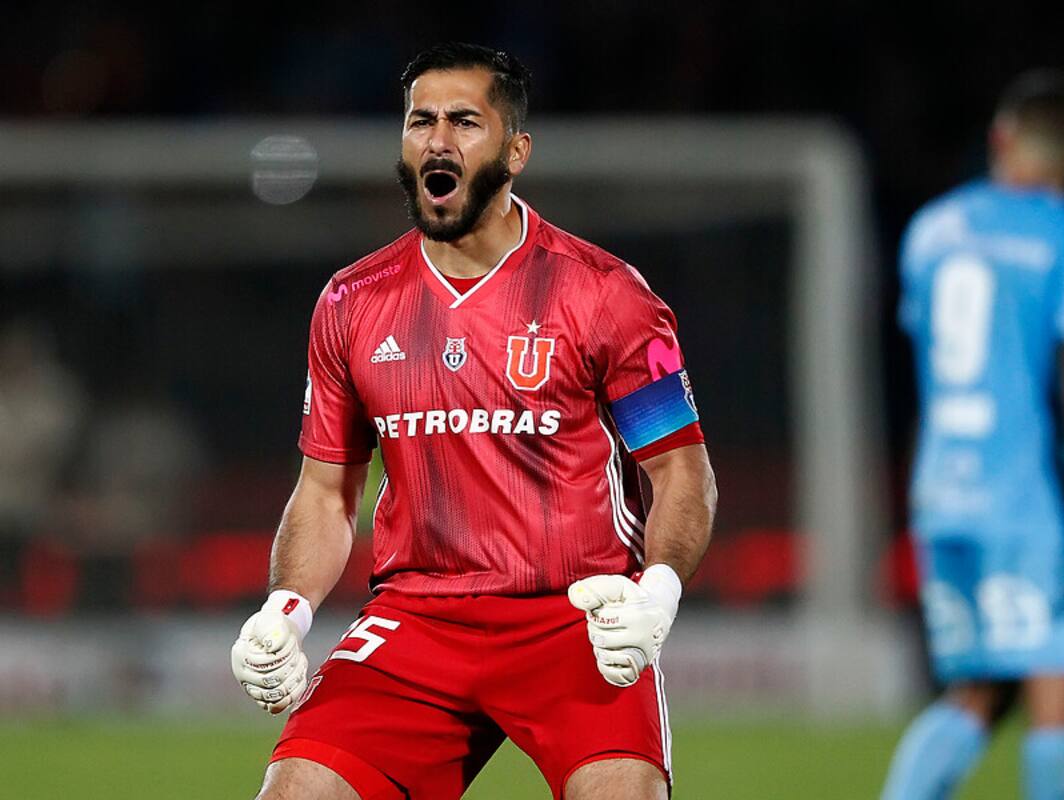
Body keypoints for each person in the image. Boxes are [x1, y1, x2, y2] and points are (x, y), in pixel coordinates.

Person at [230, 42, 717, 800]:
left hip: (574, 619)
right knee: (294, 793)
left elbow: (681, 471)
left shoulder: (605, 294)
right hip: (418, 620)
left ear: (516, 150)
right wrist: (285, 610)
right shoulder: (352, 303)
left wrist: (656, 593)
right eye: (420, 121)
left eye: (464, 121)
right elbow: (326, 493)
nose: (437, 140)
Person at [881, 70, 1064, 800]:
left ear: (1000, 141)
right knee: (1060, 694)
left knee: (978, 693)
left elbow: (930, 371)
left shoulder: (932, 230)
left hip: (945, 494)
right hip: (1030, 500)